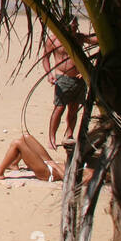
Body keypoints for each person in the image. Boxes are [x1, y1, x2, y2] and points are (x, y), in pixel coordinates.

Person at [41, 15, 94, 148]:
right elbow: (45, 58)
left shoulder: (79, 38)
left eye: (77, 25)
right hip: (62, 78)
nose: (76, 27)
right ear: (65, 25)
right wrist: (49, 74)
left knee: (74, 108)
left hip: (79, 78)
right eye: (74, 25)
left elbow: (96, 40)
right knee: (59, 108)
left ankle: (68, 135)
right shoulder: (53, 40)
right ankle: (52, 137)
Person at [0, 133, 95, 183]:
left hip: (49, 173)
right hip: (52, 165)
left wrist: (56, 166)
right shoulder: (94, 166)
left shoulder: (92, 175)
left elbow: (69, 181)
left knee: (17, 143)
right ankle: (13, 164)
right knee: (26, 137)